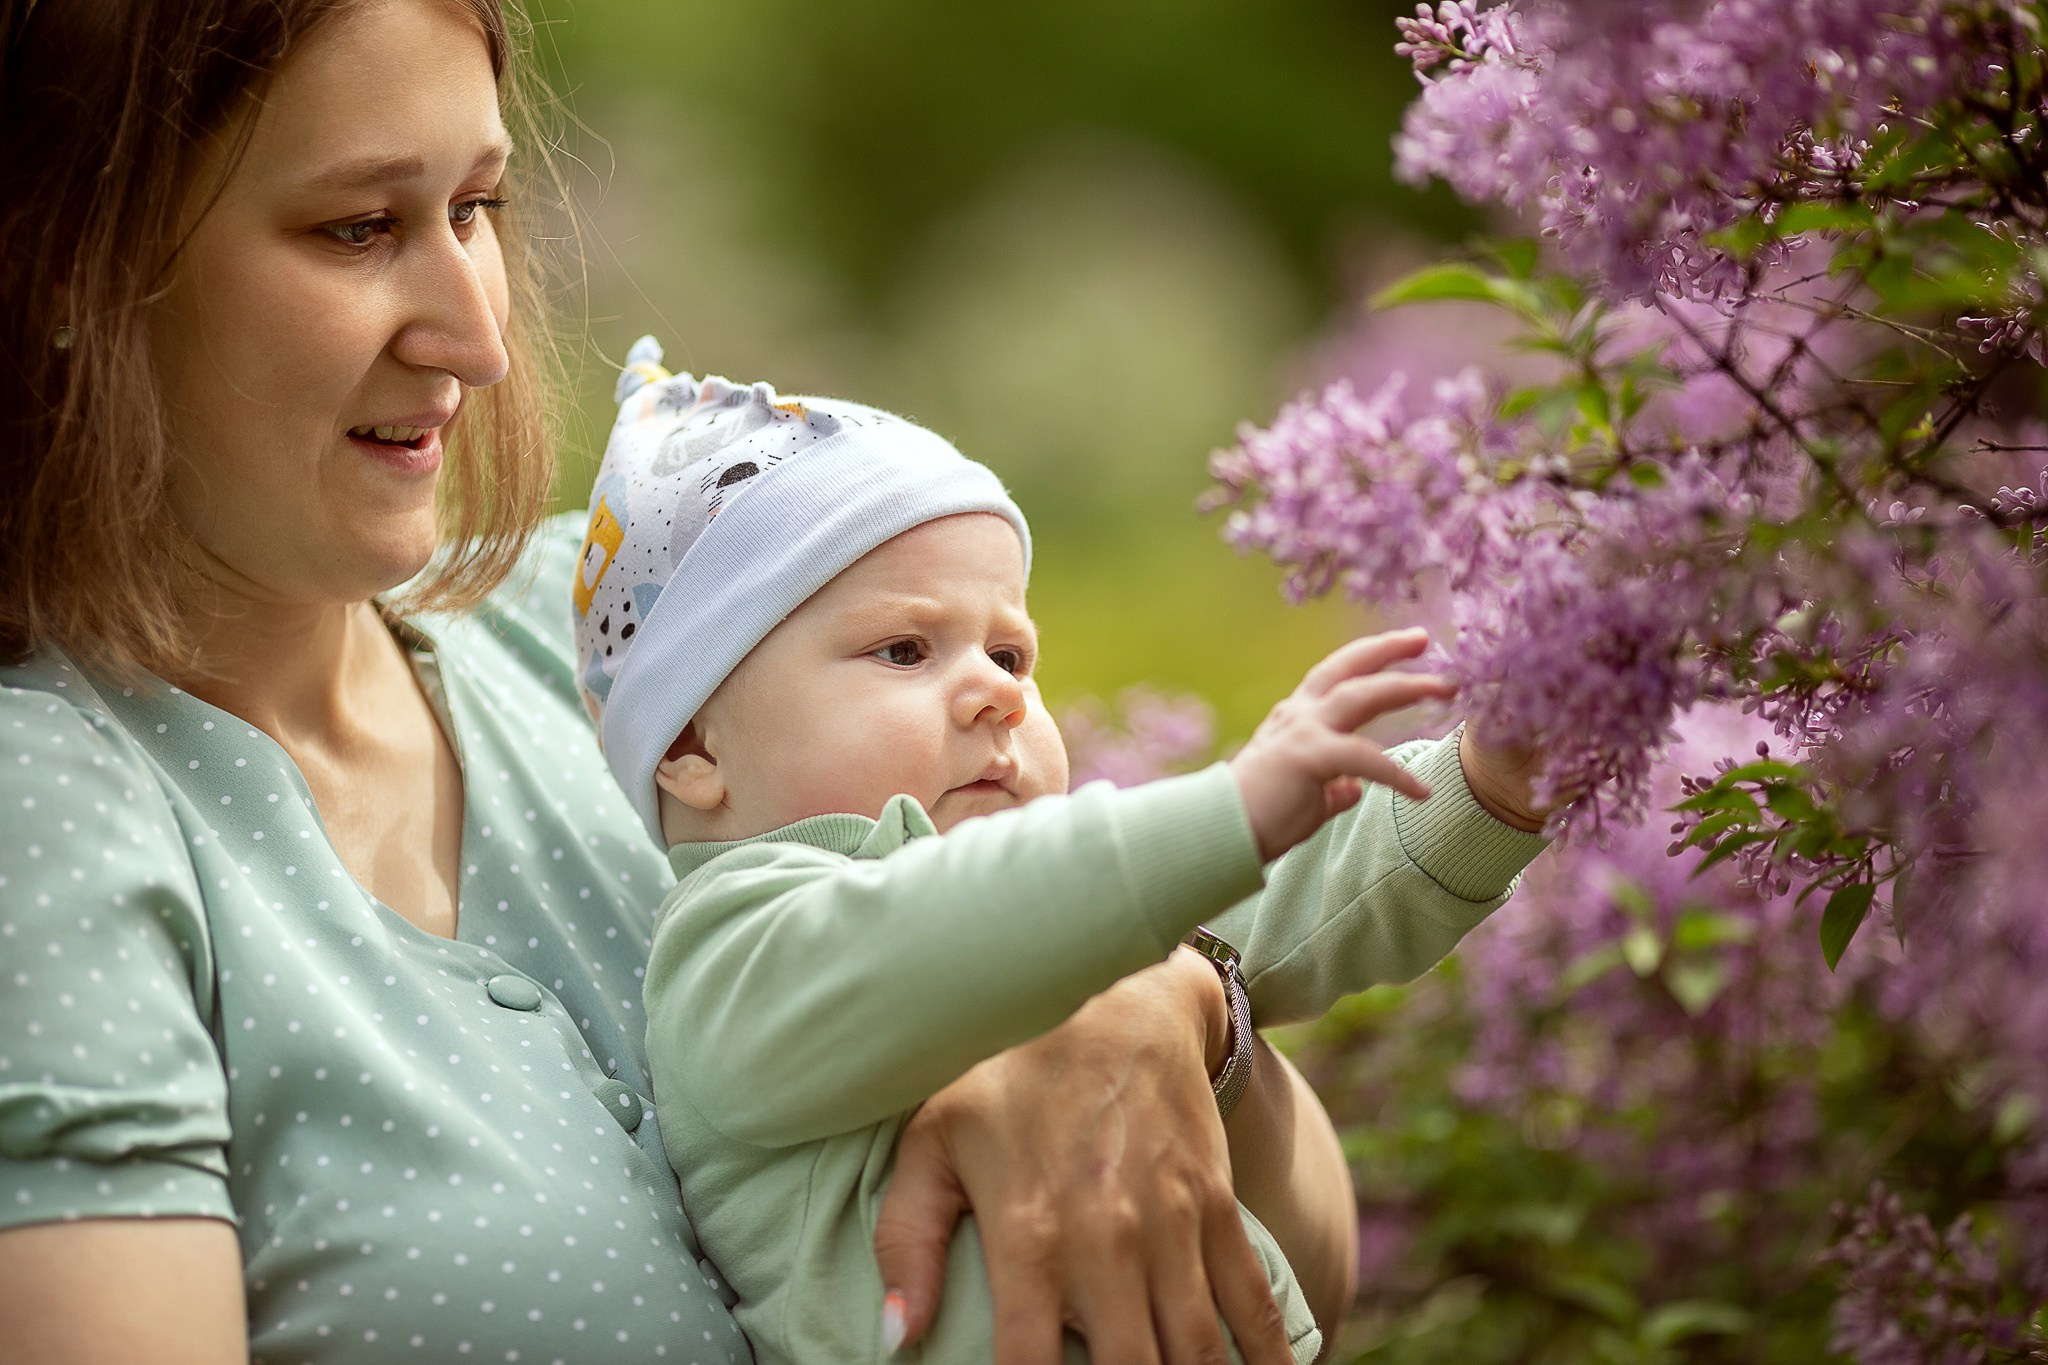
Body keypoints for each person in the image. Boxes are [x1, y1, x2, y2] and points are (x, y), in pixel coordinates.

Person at [0, 0, 1563, 1361]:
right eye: (358, 227)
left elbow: (1302, 1273)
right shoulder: (51, 816)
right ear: (74, 258)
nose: (480, 337)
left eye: (476, 206)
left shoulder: (623, 622)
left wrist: (1166, 1008)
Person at [568, 350, 1553, 1363]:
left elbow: (1292, 890)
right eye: (904, 649)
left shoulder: (1060, 898)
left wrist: (1485, 783)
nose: (998, 692)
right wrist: (1231, 808)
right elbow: (925, 934)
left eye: (1009, 654)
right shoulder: (729, 952)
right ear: (694, 748)